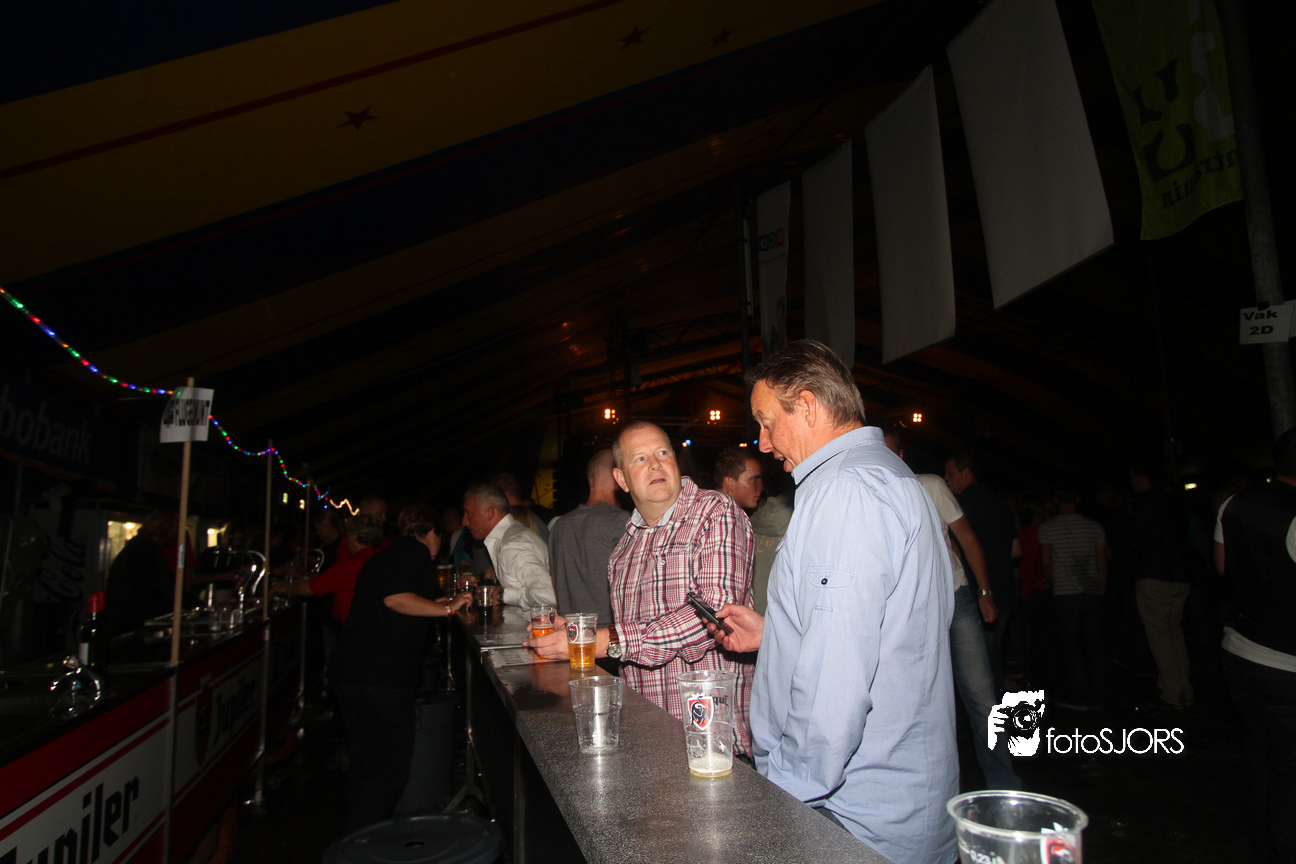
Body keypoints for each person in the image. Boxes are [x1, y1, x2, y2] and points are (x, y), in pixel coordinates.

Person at [713, 340, 957, 864]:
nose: (762, 443)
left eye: (766, 422)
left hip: (850, 815)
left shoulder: (846, 491)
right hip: (896, 800)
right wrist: (778, 633)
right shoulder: (888, 475)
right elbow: (884, 628)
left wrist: (781, 795)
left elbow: (836, 678)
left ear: (806, 405)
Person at [528, 422, 756, 757]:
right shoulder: (623, 549)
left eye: (662, 453)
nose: (655, 464)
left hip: (711, 743)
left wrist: (602, 640)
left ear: (675, 460)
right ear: (621, 479)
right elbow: (637, 634)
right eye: (640, 458)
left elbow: (716, 617)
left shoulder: (715, 512)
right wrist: (577, 631)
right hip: (647, 740)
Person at [883, 426, 1020, 791]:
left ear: (900, 455)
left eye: (887, 450)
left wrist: (985, 591)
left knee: (980, 694)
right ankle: (928, 790)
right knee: (920, 701)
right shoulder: (870, 496)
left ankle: (1004, 782)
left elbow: (967, 539)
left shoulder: (930, 485)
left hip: (957, 599)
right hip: (910, 609)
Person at [332, 505, 472, 834]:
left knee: (365, 765)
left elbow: (392, 600)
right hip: (380, 677)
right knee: (388, 769)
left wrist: (433, 605)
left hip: (350, 672)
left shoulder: (389, 554)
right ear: (433, 533)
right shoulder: (415, 552)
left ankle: (354, 839)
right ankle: (365, 841)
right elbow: (394, 599)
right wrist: (448, 609)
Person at [1213, 428, 1296, 864]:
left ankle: (1266, 846)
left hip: (1241, 649)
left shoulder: (1235, 503)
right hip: (1285, 662)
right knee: (1289, 772)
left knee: (1264, 759)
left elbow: (1223, 567)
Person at [945, 452, 1020, 698]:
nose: (946, 479)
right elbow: (1016, 550)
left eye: (951, 473)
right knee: (993, 657)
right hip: (1004, 592)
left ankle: (990, 716)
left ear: (966, 473)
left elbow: (955, 551)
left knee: (979, 668)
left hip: (975, 594)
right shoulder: (1000, 504)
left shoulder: (957, 507)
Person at [1128, 462, 1195, 709]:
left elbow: (1135, 537)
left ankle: (1173, 692)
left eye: (1133, 478)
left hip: (1154, 575)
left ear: (1143, 478)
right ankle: (1184, 689)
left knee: (1161, 636)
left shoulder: (1145, 502)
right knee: (1174, 633)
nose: (1132, 484)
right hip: (1180, 575)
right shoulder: (1176, 502)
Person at [1038, 485, 1108, 710]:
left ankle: (1080, 694)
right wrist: (1101, 588)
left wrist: (1050, 580)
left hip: (1065, 593)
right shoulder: (1095, 527)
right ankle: (1098, 692)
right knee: (1094, 645)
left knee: (1071, 646)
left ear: (1057, 499)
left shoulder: (1048, 528)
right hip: (1091, 591)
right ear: (1077, 499)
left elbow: (1046, 561)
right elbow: (1102, 562)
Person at [548, 449, 627, 625]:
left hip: (572, 635)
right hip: (612, 636)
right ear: (619, 477)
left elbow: (556, 587)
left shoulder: (559, 526)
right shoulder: (624, 523)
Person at [278, 513, 386, 626]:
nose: (346, 539)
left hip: (357, 628)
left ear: (354, 536)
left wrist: (286, 587)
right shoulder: (379, 560)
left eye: (348, 535)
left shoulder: (350, 565)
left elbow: (310, 588)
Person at [462, 483, 556, 607]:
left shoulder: (513, 545)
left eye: (469, 514)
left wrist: (503, 595)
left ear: (490, 512)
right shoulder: (509, 537)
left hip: (535, 620)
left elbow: (549, 595)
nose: (464, 522)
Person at [105, 510, 180, 635]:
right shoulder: (146, 549)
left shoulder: (137, 546)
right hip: (133, 621)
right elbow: (153, 587)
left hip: (123, 617)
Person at [713, 445, 764, 511]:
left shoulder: (710, 506)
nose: (761, 488)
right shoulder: (722, 514)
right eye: (754, 480)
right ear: (730, 483)